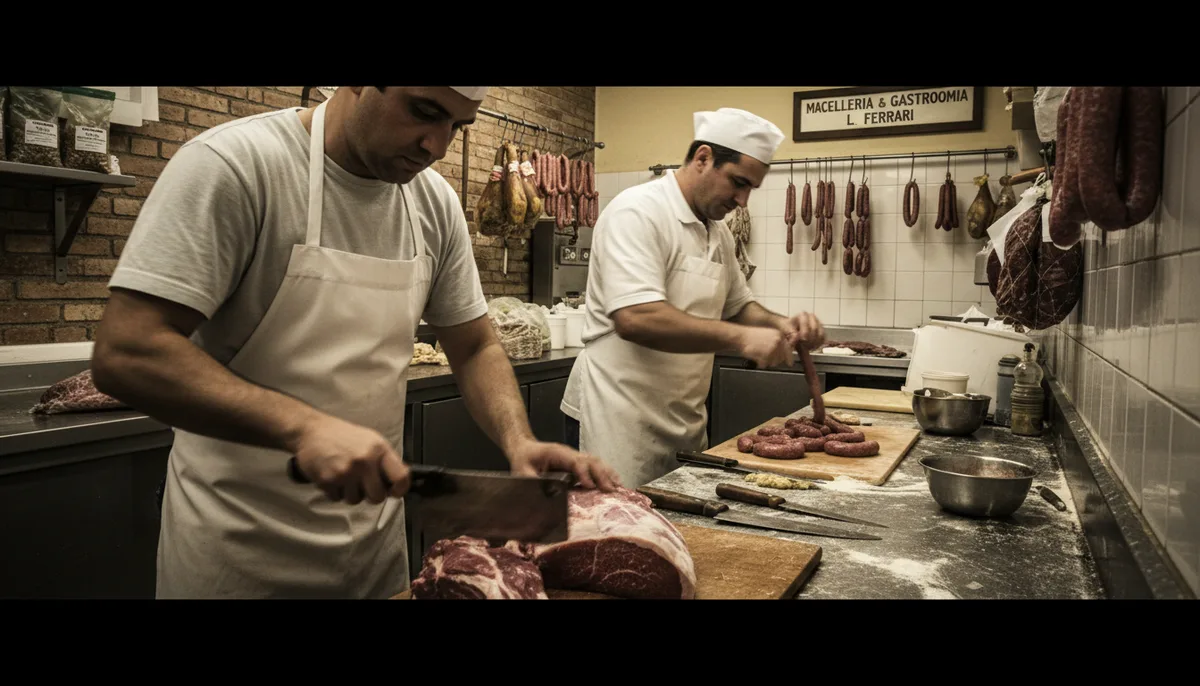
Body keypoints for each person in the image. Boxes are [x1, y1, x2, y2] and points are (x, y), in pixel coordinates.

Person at [91, 86, 620, 599]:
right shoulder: (235, 165)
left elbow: (475, 345)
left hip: (374, 552)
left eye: (456, 127)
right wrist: (304, 427)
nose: (435, 146)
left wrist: (518, 442)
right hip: (239, 549)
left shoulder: (433, 202)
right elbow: (128, 350)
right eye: (423, 111)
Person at [560, 107, 825, 488]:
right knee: (615, 536)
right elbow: (636, 317)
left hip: (682, 420)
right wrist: (741, 338)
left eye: (750, 187)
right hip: (615, 417)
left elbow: (739, 306)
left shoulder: (718, 233)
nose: (743, 199)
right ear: (703, 158)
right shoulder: (638, 212)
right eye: (738, 182)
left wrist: (780, 323)